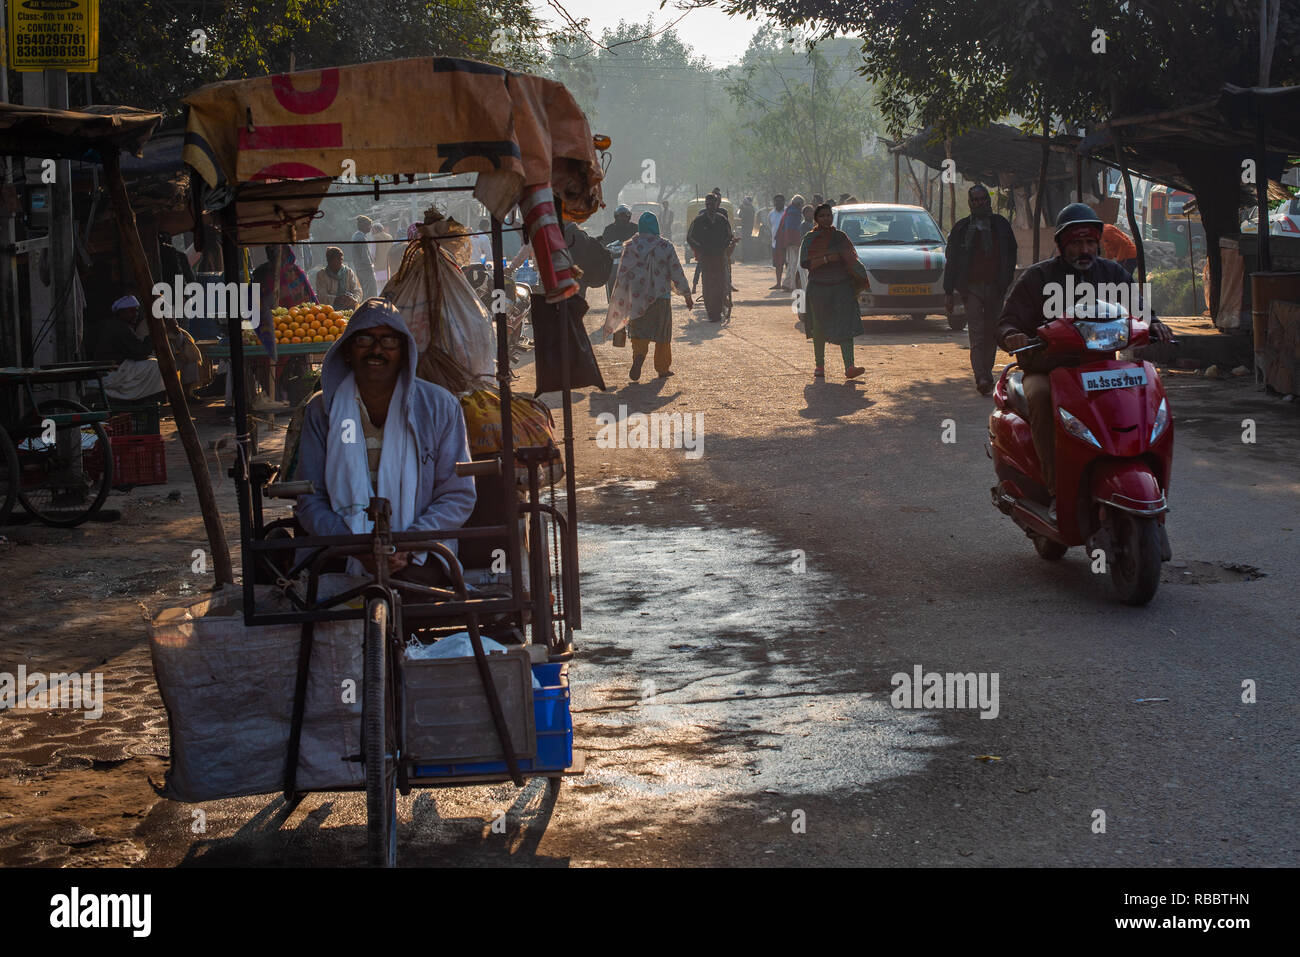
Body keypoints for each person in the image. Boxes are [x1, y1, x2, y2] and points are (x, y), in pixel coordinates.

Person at [997, 203, 1173, 499]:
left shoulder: (1112, 273)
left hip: (1100, 369)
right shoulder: (1037, 278)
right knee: (1040, 397)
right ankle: (1056, 491)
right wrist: (1013, 335)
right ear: (1063, 245)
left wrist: (1154, 323)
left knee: (1138, 397)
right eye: (1077, 242)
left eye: (1090, 242)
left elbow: (1141, 312)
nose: (1085, 250)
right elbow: (1006, 322)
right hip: (1047, 369)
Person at [294, 298, 476, 583]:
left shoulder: (440, 406)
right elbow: (309, 498)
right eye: (365, 339)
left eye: (389, 341)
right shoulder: (322, 410)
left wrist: (408, 543)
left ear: (404, 353)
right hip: (340, 554)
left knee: (422, 591)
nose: (376, 350)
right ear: (347, 352)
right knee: (326, 597)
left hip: (420, 551)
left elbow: (457, 494)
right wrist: (355, 547)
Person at [943, 184, 1018, 395]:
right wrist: (949, 292)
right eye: (975, 200)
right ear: (970, 203)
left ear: (988, 200)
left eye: (983, 199)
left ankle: (987, 371)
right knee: (976, 333)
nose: (980, 203)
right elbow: (952, 261)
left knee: (992, 332)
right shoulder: (961, 229)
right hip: (971, 289)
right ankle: (982, 376)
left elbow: (1011, 255)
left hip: (996, 287)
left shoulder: (1001, 226)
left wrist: (1005, 283)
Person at [603, 213, 693, 380]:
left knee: (639, 331)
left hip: (637, 298)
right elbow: (676, 271)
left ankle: (639, 357)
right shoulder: (666, 246)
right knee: (662, 334)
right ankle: (662, 368)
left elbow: (622, 275)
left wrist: (619, 299)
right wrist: (687, 295)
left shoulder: (630, 246)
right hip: (661, 297)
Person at [800, 203, 866, 380]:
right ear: (816, 219)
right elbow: (805, 263)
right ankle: (819, 366)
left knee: (846, 325)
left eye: (829, 215)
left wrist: (862, 275)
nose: (826, 219)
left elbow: (852, 259)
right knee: (819, 327)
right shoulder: (809, 238)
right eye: (822, 216)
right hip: (819, 288)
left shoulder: (840, 237)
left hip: (841, 287)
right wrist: (827, 258)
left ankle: (850, 366)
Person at [90, 295, 168, 402]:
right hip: (113, 370)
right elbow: (139, 353)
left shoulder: (118, 325)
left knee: (152, 361)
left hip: (115, 365)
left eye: (136, 311)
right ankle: (146, 399)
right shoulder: (119, 327)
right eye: (131, 311)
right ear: (121, 313)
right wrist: (152, 337)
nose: (135, 314)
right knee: (157, 366)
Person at [687, 193, 735, 322]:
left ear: (716, 204)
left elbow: (729, 235)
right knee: (708, 284)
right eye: (707, 204)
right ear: (705, 205)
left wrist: (723, 247)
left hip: (719, 256)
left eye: (712, 203)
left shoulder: (722, 220)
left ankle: (718, 310)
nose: (710, 206)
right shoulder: (699, 220)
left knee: (720, 283)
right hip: (706, 256)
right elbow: (690, 237)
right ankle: (711, 313)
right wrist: (700, 249)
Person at [599, 205, 639, 301]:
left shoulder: (635, 228)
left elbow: (640, 243)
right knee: (611, 276)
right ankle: (612, 300)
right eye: (620, 216)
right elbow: (604, 244)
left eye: (625, 216)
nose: (622, 218)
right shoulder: (609, 229)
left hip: (632, 258)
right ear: (616, 216)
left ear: (628, 216)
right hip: (614, 259)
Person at [776, 194, 806, 291]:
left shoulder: (788, 211)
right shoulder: (795, 213)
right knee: (794, 263)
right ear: (799, 204)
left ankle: (787, 283)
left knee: (791, 262)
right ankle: (792, 285)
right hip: (794, 241)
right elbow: (794, 229)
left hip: (788, 240)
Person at [350, 215, 377, 299]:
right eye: (369, 225)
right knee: (370, 292)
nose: (370, 227)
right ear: (363, 226)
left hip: (360, 269)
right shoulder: (361, 238)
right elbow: (365, 257)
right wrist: (371, 268)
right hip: (365, 269)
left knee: (365, 292)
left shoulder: (356, 236)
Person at [768, 193, 787, 288]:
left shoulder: (788, 212)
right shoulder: (771, 213)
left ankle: (789, 283)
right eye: (776, 201)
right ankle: (778, 283)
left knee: (789, 263)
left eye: (780, 201)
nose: (778, 203)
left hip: (787, 242)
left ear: (784, 202)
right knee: (778, 265)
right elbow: (771, 227)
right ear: (774, 202)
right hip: (775, 243)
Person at [370, 221, 394, 285]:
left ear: (375, 229)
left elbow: (372, 254)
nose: (371, 232)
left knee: (380, 286)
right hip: (388, 265)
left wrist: (371, 263)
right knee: (387, 284)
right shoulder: (390, 237)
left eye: (372, 230)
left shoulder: (375, 238)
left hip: (379, 266)